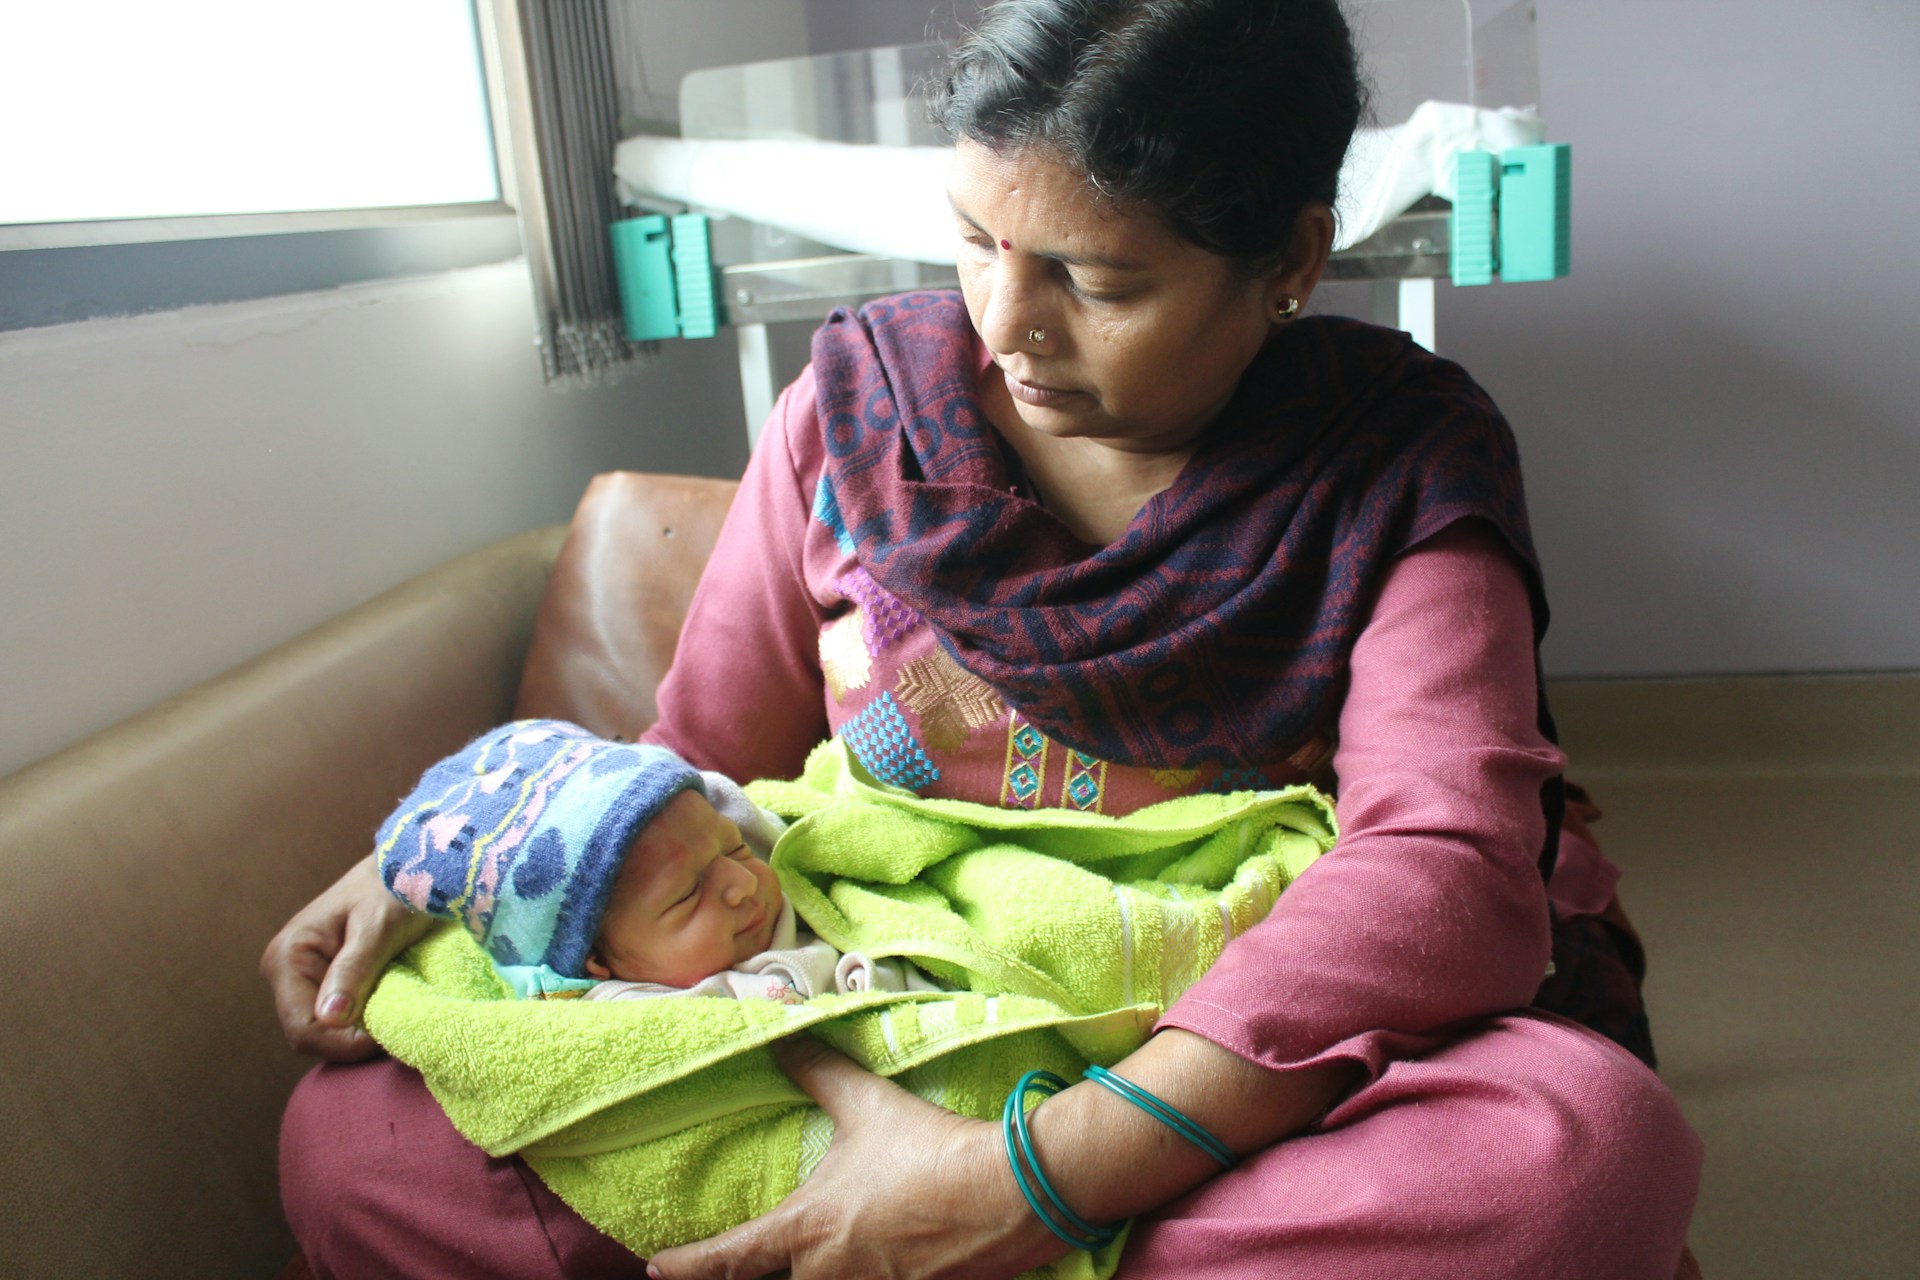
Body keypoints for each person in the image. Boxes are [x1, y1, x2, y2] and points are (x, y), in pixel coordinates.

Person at [262, 1, 1703, 1276]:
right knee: (354, 1145)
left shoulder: (1400, 460)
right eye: (972, 242)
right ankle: (886, 1218)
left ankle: (917, 1232)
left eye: (1100, 281)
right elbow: (700, 760)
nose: (1007, 325)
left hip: (1192, 1059)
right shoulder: (853, 413)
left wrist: (1039, 1177)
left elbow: (1439, 864)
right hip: (851, 1021)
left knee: (1575, 1157)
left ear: (1287, 262)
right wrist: (458, 848)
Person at [375, 719, 934, 1002]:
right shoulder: (639, 1010)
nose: (743, 883)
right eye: (688, 895)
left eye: (732, 846)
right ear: (598, 961)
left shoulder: (777, 879)